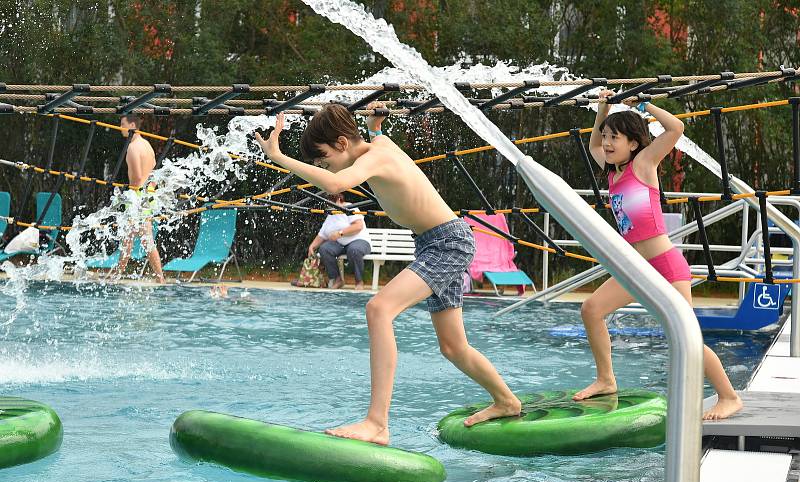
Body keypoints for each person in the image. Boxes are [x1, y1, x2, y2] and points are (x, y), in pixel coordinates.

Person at [256, 102, 521, 445]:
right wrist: (375, 127)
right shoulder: (377, 146)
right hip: (434, 243)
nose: (324, 168)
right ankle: (507, 401)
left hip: (447, 243)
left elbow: (338, 180)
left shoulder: (374, 156)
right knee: (454, 347)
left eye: (323, 159)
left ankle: (377, 423)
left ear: (340, 143)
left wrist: (279, 157)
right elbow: (368, 150)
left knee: (379, 309)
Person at [574, 90, 742, 421]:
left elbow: (676, 129)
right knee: (591, 309)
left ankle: (729, 396)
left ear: (633, 143)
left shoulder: (643, 163)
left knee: (685, 336)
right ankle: (607, 380)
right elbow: (593, 145)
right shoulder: (613, 172)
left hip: (664, 265)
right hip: (634, 267)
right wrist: (603, 109)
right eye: (606, 137)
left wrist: (643, 105)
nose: (606, 144)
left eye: (614, 138)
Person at [108, 114, 165, 284]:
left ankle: (159, 277)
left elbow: (138, 177)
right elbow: (154, 175)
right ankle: (118, 274)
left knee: (142, 240)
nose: (120, 127)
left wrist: (128, 198)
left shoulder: (133, 148)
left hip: (138, 196)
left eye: (122, 124)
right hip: (147, 194)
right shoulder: (147, 145)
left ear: (132, 124)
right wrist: (149, 194)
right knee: (131, 238)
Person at [309, 192, 371, 290]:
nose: (328, 205)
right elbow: (322, 234)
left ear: (338, 200)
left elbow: (358, 226)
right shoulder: (331, 214)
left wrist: (340, 233)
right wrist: (312, 247)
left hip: (359, 241)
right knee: (325, 249)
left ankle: (359, 282)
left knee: (354, 250)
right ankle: (337, 279)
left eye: (329, 203)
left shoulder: (350, 207)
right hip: (340, 244)